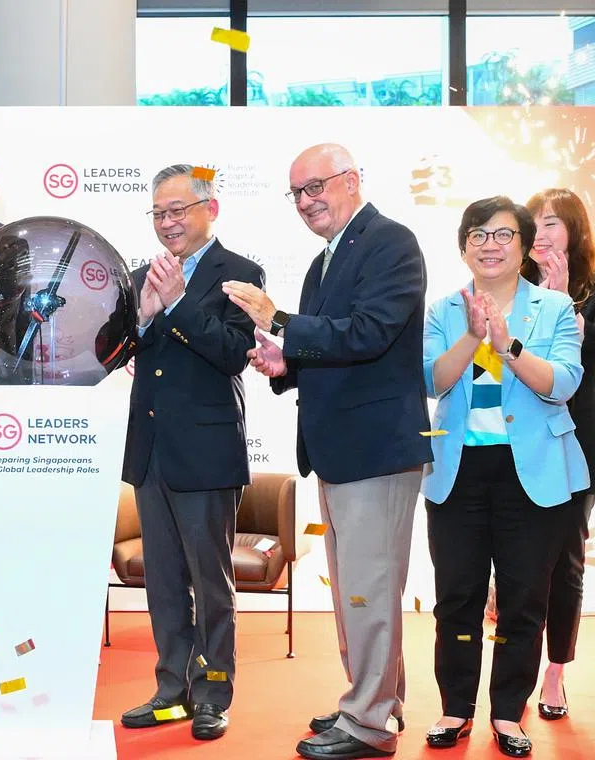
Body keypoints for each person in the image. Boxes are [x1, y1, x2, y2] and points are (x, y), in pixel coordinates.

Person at [225, 143, 431, 760]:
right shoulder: (324, 263)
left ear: (352, 180)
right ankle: (371, 702)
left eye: (318, 185)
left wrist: (280, 319)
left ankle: (367, 724)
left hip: (375, 451)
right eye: (298, 192)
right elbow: (331, 350)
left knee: (368, 589)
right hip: (339, 448)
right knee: (355, 592)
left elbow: (370, 333)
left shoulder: (391, 242)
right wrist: (283, 363)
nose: (308, 200)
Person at [420, 196, 586, 757]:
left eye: (502, 235)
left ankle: (507, 713)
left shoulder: (555, 308)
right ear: (464, 246)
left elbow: (561, 383)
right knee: (457, 595)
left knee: (523, 597)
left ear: (523, 245)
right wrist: (471, 335)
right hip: (459, 468)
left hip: (530, 471)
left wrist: (505, 342)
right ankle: (455, 706)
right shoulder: (445, 310)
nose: (489, 245)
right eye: (477, 235)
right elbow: (434, 381)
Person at [118, 163, 263, 742]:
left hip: (206, 453)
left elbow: (233, 353)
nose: (168, 223)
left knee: (211, 580)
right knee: (163, 580)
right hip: (150, 452)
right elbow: (113, 351)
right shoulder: (137, 276)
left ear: (211, 209)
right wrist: (145, 314)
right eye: (158, 213)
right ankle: (170, 688)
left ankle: (214, 691)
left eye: (178, 210)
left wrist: (177, 305)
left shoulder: (241, 273)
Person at [521, 188, 595, 723]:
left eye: (550, 222)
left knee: (566, 561)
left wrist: (564, 301)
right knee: (528, 561)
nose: (541, 233)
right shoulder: (516, 290)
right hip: (525, 440)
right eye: (533, 224)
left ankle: (555, 671)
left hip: (585, 442)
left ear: (573, 228)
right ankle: (516, 672)